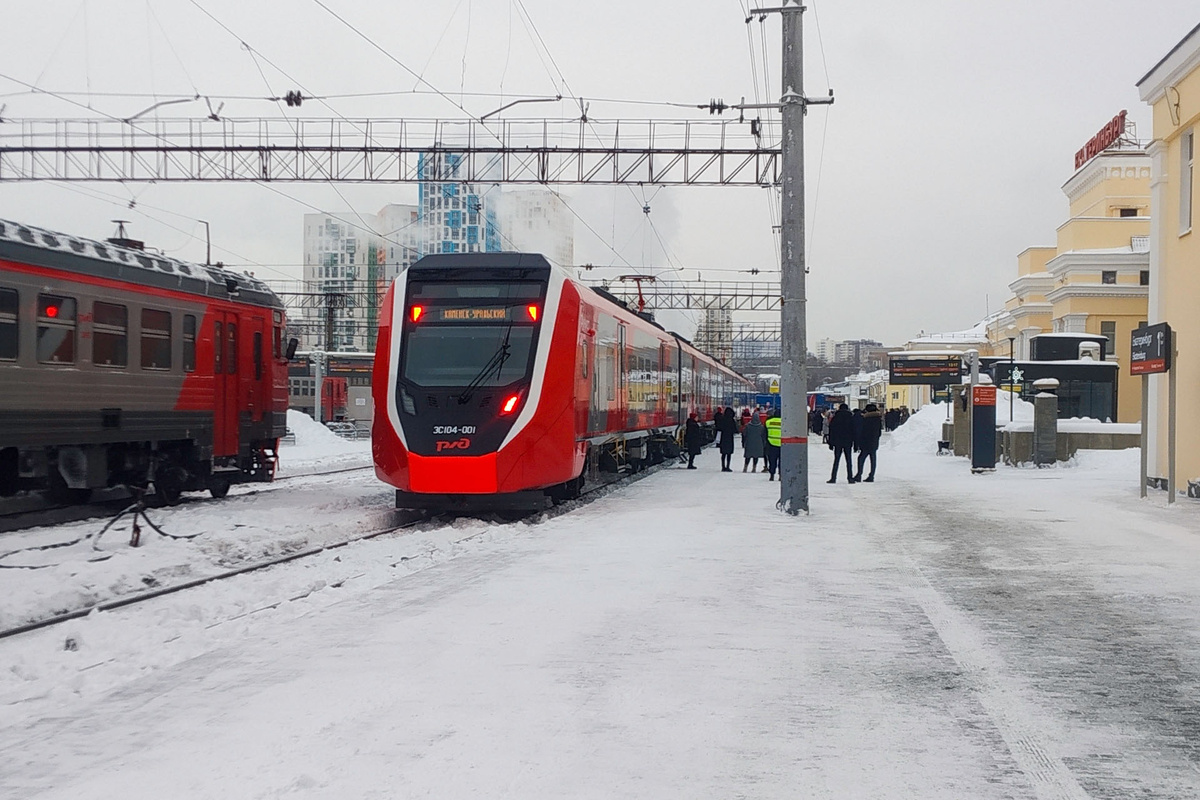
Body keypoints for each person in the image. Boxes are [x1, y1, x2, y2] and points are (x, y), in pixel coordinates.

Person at [853, 403, 884, 483]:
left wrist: (859, 442)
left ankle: (859, 475)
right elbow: (879, 433)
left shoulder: (865, 419)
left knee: (861, 458)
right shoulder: (878, 419)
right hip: (874, 442)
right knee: (873, 459)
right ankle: (871, 476)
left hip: (866, 442)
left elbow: (862, 431)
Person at [826, 403, 854, 484]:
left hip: (838, 442)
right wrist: (855, 443)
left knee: (836, 460)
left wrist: (831, 443)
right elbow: (854, 431)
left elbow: (832, 431)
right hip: (848, 441)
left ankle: (833, 478)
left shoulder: (836, 418)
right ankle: (850, 478)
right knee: (849, 461)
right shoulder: (850, 418)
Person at [718, 407, 738, 471]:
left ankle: (723, 467)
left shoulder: (722, 419)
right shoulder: (731, 420)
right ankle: (728, 466)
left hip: (723, 437)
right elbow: (735, 430)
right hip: (729, 438)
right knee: (729, 453)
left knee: (723, 454)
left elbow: (719, 428)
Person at [764, 411, 781, 481]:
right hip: (782, 445)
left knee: (772, 461)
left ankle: (772, 475)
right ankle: (780, 475)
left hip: (771, 444)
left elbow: (764, 433)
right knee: (781, 461)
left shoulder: (768, 422)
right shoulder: (785, 422)